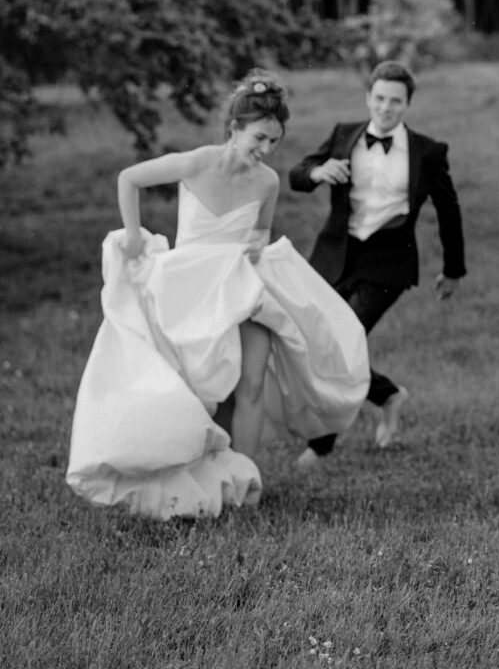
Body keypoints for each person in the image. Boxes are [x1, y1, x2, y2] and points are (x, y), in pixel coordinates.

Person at [66, 70, 370, 520]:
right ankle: (190, 465)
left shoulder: (267, 182)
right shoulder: (196, 162)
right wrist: (132, 234)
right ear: (235, 129)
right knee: (200, 388)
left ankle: (244, 485)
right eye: (260, 138)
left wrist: (253, 249)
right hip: (193, 287)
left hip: (244, 282)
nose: (266, 150)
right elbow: (129, 178)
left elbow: (260, 236)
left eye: (274, 142)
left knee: (250, 383)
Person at [289, 60, 466, 468]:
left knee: (339, 342)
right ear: (369, 98)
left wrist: (453, 269)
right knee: (315, 342)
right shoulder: (343, 135)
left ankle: (321, 444)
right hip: (336, 255)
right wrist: (318, 171)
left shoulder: (428, 152)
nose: (386, 108)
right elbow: (296, 176)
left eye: (396, 101)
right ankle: (387, 395)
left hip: (389, 262)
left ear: (407, 105)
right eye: (380, 98)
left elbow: (449, 210)